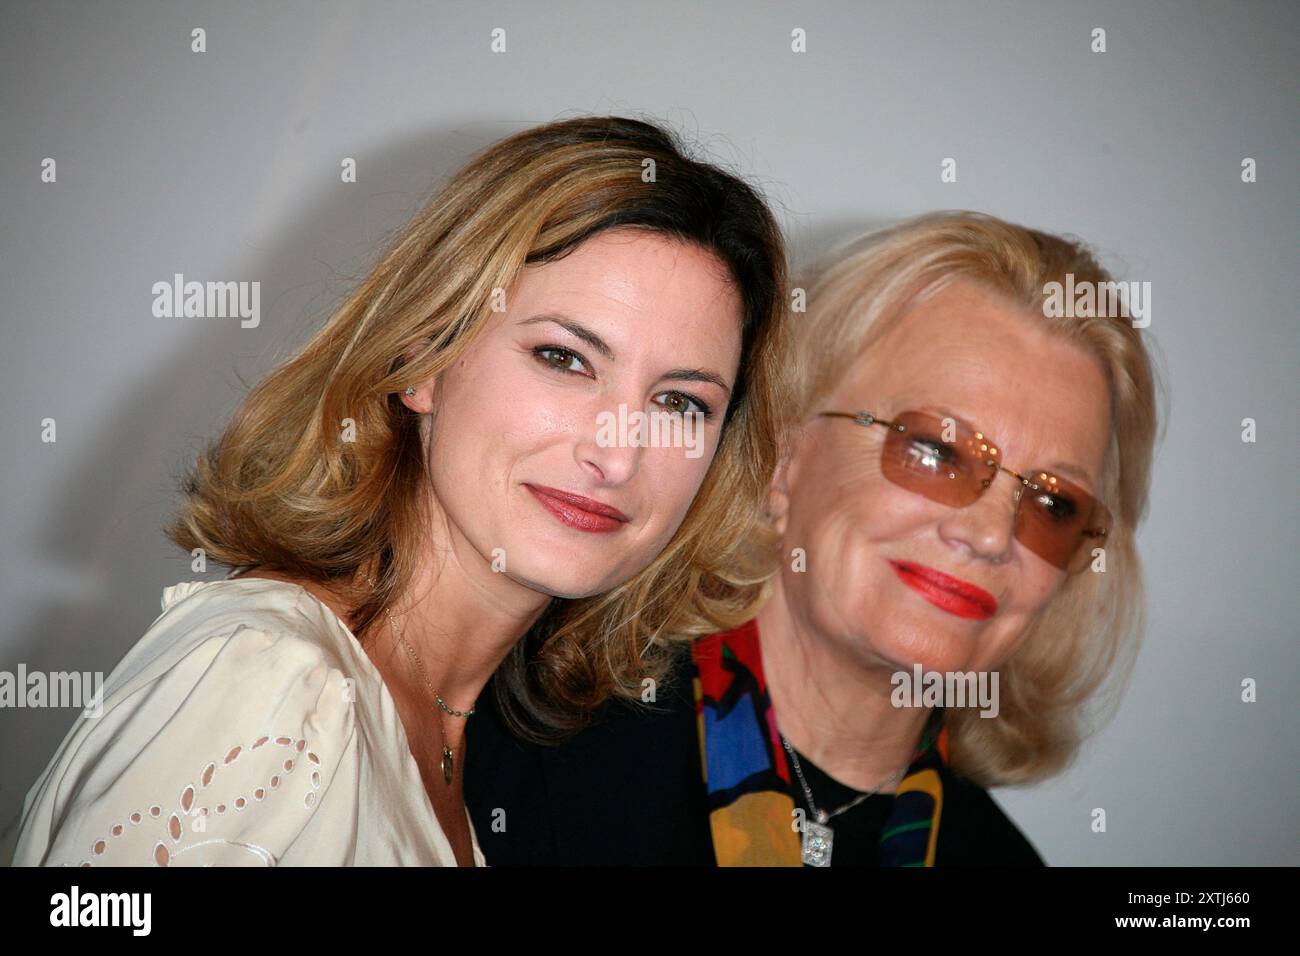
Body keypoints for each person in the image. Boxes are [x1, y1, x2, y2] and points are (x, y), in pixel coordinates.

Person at [3, 115, 794, 866]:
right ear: (422, 355)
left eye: (680, 402)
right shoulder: (271, 678)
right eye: (565, 360)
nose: (617, 456)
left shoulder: (466, 738)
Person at [465, 210, 1164, 866]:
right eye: (936, 452)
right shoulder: (516, 730)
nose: (988, 534)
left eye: (1052, 503)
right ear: (782, 456)